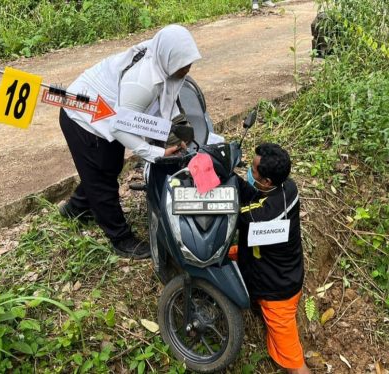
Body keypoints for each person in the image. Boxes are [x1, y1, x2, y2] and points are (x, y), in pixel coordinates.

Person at [58, 25, 201, 259]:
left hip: (109, 109)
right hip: (84, 116)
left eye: (188, 64)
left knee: (108, 167)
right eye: (182, 65)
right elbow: (120, 127)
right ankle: (121, 239)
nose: (186, 70)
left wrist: (178, 133)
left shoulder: (162, 61)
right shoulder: (143, 83)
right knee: (102, 176)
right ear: (168, 58)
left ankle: (76, 208)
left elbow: (165, 103)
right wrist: (154, 152)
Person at [234, 143, 310, 374]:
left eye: (253, 170)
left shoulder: (263, 216)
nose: (249, 171)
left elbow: (235, 212)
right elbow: (253, 195)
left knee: (294, 363)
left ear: (266, 181)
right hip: (275, 264)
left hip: (278, 292)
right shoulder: (288, 187)